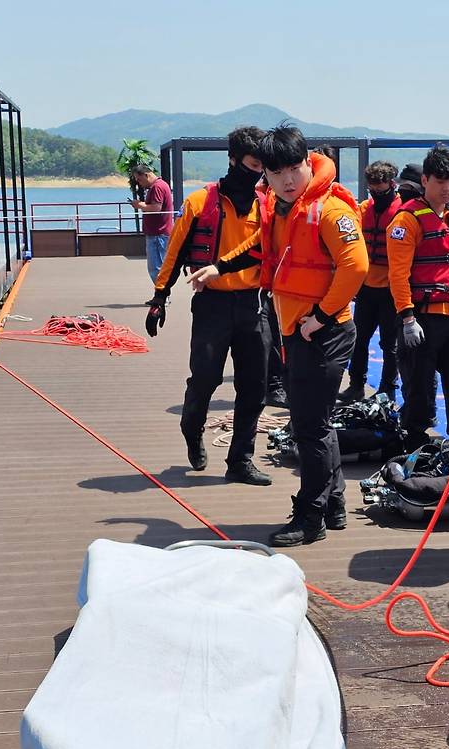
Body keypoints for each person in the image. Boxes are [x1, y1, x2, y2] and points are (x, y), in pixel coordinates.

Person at [188, 125, 369, 547]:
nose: (288, 179)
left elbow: (355, 267)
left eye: (294, 168)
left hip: (322, 332)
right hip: (298, 329)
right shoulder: (283, 208)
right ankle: (334, 503)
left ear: (309, 163)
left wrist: (320, 317)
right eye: (276, 172)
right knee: (316, 422)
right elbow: (258, 247)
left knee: (309, 427)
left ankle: (311, 517)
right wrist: (219, 268)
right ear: (263, 175)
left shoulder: (329, 210)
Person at [145, 126, 273, 486]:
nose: (258, 172)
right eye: (252, 164)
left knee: (253, 386)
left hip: (254, 304)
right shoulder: (201, 202)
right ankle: (191, 427)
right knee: (205, 378)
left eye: (263, 166)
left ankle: (240, 460)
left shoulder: (268, 204)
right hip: (212, 304)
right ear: (233, 160)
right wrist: (159, 297)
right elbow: (174, 251)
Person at [386, 144, 449, 452]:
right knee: (418, 387)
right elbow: (398, 275)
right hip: (422, 318)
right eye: (440, 181)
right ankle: (415, 443)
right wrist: (407, 317)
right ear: (425, 180)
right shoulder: (406, 221)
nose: (447, 188)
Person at [338, 160, 400, 403]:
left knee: (389, 343)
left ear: (392, 184)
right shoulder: (364, 209)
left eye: (381, 190)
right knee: (359, 339)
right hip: (365, 288)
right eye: (372, 190)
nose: (377, 194)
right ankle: (356, 385)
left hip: (390, 290)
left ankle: (388, 388)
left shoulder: (402, 210)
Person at [130, 165, 174, 284]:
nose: (139, 183)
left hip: (158, 233)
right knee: (158, 266)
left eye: (139, 179)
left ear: (146, 175)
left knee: (156, 267)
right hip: (159, 233)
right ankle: (161, 294)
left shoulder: (157, 187)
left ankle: (162, 295)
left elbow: (156, 207)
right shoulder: (161, 185)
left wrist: (139, 205)